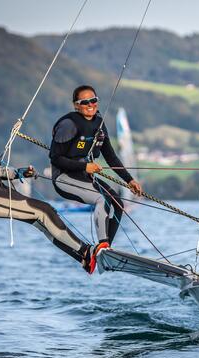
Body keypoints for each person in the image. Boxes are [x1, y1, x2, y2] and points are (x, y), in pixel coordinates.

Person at [0, 92, 94, 273]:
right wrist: (3, 172)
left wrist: (19, 173)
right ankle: (86, 251)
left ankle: (83, 258)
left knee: (41, 220)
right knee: (44, 211)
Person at [50, 85, 142, 272]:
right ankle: (102, 245)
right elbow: (55, 157)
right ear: (76, 105)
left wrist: (129, 180)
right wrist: (85, 166)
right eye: (85, 102)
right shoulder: (69, 124)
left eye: (93, 100)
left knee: (117, 203)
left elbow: (111, 157)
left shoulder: (99, 122)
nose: (90, 105)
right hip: (64, 178)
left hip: (85, 177)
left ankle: (106, 250)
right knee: (102, 200)